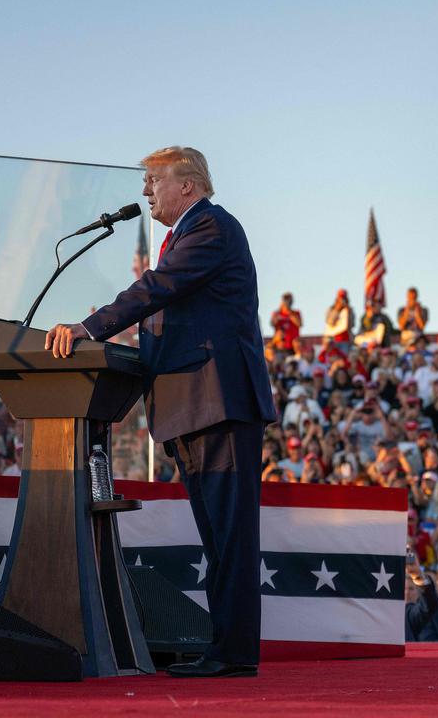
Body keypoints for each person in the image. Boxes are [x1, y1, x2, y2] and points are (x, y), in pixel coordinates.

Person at [45, 146, 276, 678]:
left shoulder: (210, 229)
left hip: (217, 403)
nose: (146, 190)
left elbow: (157, 288)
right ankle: (226, 647)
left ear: (188, 185)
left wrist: (89, 328)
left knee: (230, 535)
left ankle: (234, 653)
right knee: (218, 537)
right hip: (194, 404)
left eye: (154, 180)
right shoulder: (188, 233)